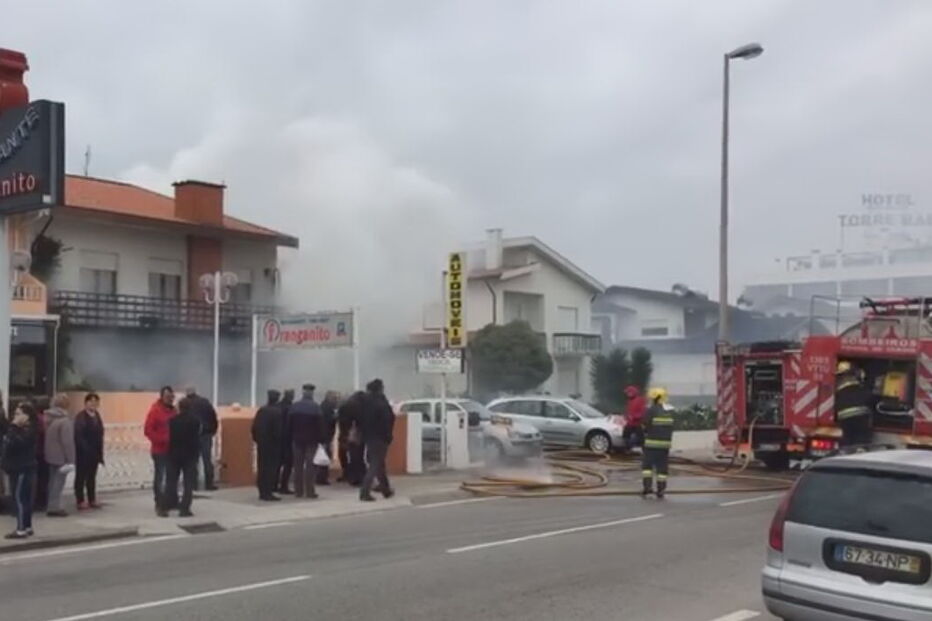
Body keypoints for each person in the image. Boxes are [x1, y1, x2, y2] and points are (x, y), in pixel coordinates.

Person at [2, 404, 38, 539]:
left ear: (26, 416)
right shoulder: (24, 429)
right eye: (15, 414)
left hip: (22, 468)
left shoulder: (28, 430)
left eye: (18, 414)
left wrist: (13, 427)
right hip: (19, 467)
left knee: (19, 498)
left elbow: (17, 443)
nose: (15, 417)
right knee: (24, 498)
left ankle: (21, 528)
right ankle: (27, 526)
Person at [161, 397, 201, 517]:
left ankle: (165, 507)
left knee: (171, 482)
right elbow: (196, 439)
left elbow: (170, 438)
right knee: (188, 483)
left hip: (174, 455)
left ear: (180, 407)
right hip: (189, 456)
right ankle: (185, 508)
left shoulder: (172, 421)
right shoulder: (195, 421)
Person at [359, 379, 395, 502]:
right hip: (380, 438)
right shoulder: (381, 403)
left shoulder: (365, 403)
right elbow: (388, 420)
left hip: (369, 437)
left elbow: (361, 420)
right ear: (379, 388)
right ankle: (364, 491)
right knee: (375, 464)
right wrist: (388, 436)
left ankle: (385, 489)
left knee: (379, 464)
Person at [178, 386, 218, 491]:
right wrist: (212, 430)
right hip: (206, 434)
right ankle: (209, 484)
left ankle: (193, 484)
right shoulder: (205, 402)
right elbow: (213, 417)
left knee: (192, 461)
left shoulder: (185, 404)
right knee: (207, 460)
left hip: (191, 436)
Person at [145, 386, 177, 515]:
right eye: (167, 396)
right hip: (160, 451)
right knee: (160, 478)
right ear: (162, 396)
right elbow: (148, 430)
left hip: (173, 451)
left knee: (171, 478)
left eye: (171, 397)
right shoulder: (155, 411)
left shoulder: (175, 411)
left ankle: (170, 502)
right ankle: (160, 504)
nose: (170, 399)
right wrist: (162, 440)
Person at [289, 384, 324, 499]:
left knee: (298, 466)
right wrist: (321, 440)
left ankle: (298, 491)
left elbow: (289, 425)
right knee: (310, 467)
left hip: (297, 440)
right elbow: (320, 426)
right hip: (312, 441)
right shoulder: (316, 407)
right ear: (312, 393)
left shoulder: (294, 407)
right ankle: (310, 491)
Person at [44, 393, 75, 517]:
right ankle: (54, 507)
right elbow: (67, 442)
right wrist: (71, 460)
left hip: (50, 455)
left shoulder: (49, 419)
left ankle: (51, 504)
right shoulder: (64, 421)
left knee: (52, 482)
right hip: (61, 457)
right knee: (58, 483)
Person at [641, 389, 674, 499]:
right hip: (665, 445)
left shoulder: (651, 410)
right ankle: (661, 490)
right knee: (662, 469)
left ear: (655, 398)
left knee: (647, 467)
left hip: (651, 444)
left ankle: (647, 488)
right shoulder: (669, 411)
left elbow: (645, 425)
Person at [74, 392, 105, 510]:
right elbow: (79, 436)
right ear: (85, 403)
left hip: (95, 453)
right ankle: (80, 500)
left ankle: (92, 499)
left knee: (92, 477)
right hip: (83, 453)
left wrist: (99, 453)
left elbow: (100, 434)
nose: (93, 404)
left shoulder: (97, 416)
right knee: (81, 477)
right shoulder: (80, 417)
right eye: (91, 401)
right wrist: (86, 449)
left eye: (96, 402)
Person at [252, 390, 284, 501]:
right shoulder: (277, 412)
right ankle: (268, 492)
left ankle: (262, 491)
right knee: (271, 468)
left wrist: (257, 439)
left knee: (262, 467)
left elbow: (254, 428)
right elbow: (278, 431)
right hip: (273, 445)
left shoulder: (261, 410)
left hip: (262, 444)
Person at [835, 361, 873, 449]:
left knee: (848, 438)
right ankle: (860, 450)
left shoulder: (839, 387)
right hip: (860, 416)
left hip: (844, 417)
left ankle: (846, 452)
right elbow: (869, 399)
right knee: (860, 439)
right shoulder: (858, 386)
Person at [337, 391, 365, 485]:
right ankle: (358, 477)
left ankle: (349, 475)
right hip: (357, 435)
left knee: (346, 456)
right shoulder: (361, 407)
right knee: (357, 457)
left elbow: (341, 420)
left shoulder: (345, 406)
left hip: (346, 434)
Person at [317, 391, 339, 485]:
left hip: (324, 435)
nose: (336, 400)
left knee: (323, 457)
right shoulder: (327, 408)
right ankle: (321, 478)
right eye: (334, 398)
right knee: (324, 458)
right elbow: (328, 421)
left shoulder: (323, 406)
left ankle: (321, 477)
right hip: (325, 436)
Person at [33, 396, 50, 512]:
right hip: (42, 452)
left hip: (38, 452)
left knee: (40, 478)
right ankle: (41, 502)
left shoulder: (37, 418)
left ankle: (40, 501)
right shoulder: (42, 419)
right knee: (43, 478)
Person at [277, 388, 295, 494]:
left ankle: (274, 484)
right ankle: (284, 486)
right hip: (288, 439)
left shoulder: (278, 406)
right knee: (288, 463)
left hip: (278, 439)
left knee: (278, 463)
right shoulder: (290, 408)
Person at [622, 385, 647, 450]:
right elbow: (628, 411)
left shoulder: (640, 400)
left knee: (640, 439)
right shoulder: (629, 401)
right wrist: (626, 416)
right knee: (625, 436)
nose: (627, 394)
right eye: (627, 393)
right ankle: (628, 448)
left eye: (628, 392)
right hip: (630, 423)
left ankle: (644, 450)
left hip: (637, 423)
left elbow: (642, 412)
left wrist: (634, 417)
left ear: (632, 392)